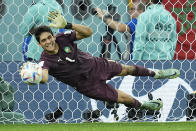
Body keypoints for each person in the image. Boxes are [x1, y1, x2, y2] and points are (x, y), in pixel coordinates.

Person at [20, 10, 180, 111]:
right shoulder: (44, 60)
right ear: (39, 44)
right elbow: (45, 77)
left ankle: (156, 73)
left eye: (49, 37)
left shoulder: (63, 38)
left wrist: (68, 24)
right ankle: (144, 105)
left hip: (96, 65)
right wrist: (35, 78)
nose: (48, 41)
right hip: (87, 85)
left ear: (53, 35)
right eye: (44, 41)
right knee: (124, 98)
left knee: (127, 69)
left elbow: (88, 32)